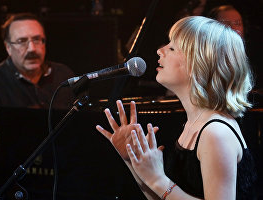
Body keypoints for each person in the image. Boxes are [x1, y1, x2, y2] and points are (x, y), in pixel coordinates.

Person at [96, 16, 256, 199]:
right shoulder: (193, 124)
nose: (159, 51)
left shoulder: (215, 132)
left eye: (172, 48)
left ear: (199, 64)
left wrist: (157, 179)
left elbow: (165, 189)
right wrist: (133, 161)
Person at [0, 13, 75, 157]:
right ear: (8, 47)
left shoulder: (63, 75)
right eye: (22, 41)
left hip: (64, 167)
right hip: (17, 172)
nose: (32, 49)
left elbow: (80, 129)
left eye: (37, 39)